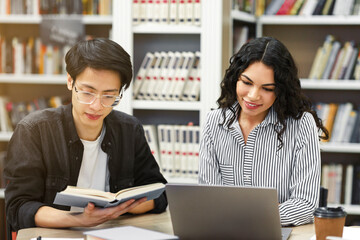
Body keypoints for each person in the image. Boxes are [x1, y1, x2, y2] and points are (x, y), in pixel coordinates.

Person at [4, 38, 167, 232]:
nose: (97, 106)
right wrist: (80, 219)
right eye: (88, 93)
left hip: (112, 232)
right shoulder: (34, 130)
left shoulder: (129, 130)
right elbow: (18, 208)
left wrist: (120, 207)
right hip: (56, 234)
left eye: (109, 96)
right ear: (70, 81)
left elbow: (159, 194)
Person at [198, 36, 329, 226]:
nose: (253, 96)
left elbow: (306, 205)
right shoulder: (214, 123)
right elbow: (207, 200)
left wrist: (242, 215)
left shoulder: (302, 125)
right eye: (247, 82)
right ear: (235, 78)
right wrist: (268, 211)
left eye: (267, 89)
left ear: (280, 91)